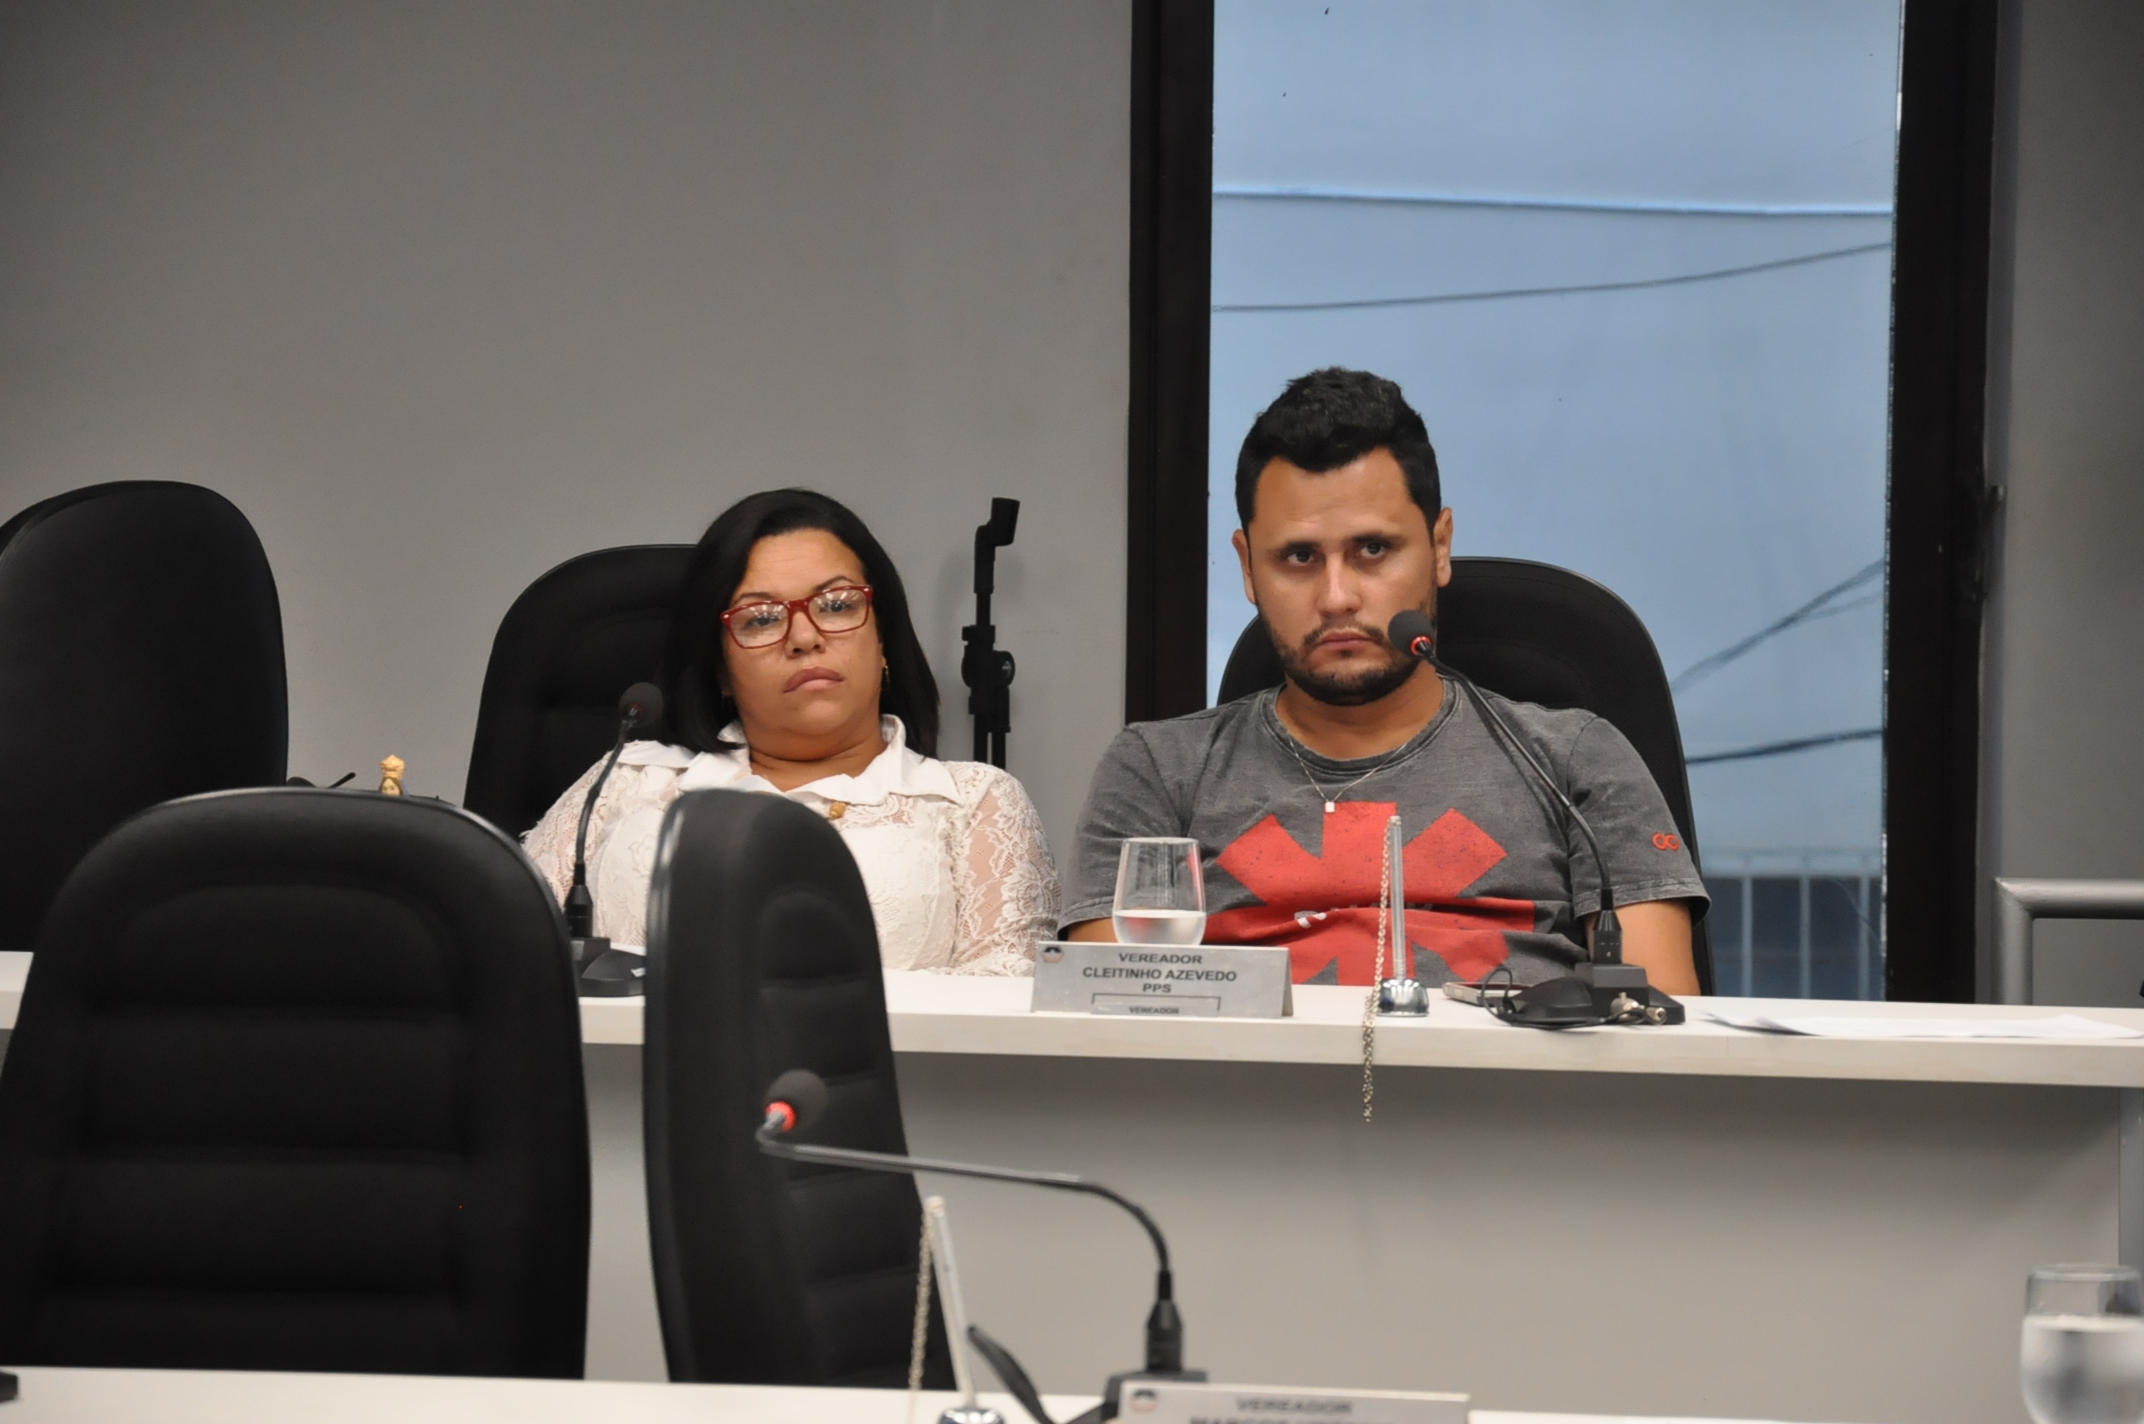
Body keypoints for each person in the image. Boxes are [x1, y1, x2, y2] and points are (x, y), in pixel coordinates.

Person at [1064, 368, 1705, 992]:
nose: (1336, 597)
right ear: (1248, 567)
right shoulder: (1159, 772)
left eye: (1372, 550)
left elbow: (1660, 1033)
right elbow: (1110, 1024)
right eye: (1299, 557)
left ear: (1440, 546)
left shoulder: (1575, 761)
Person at [524, 488, 1058, 974]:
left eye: (837, 606)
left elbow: (1005, 1003)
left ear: (884, 639)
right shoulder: (625, 778)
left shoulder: (972, 802)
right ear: (720, 670)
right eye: (760, 618)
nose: (804, 636)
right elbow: (507, 958)